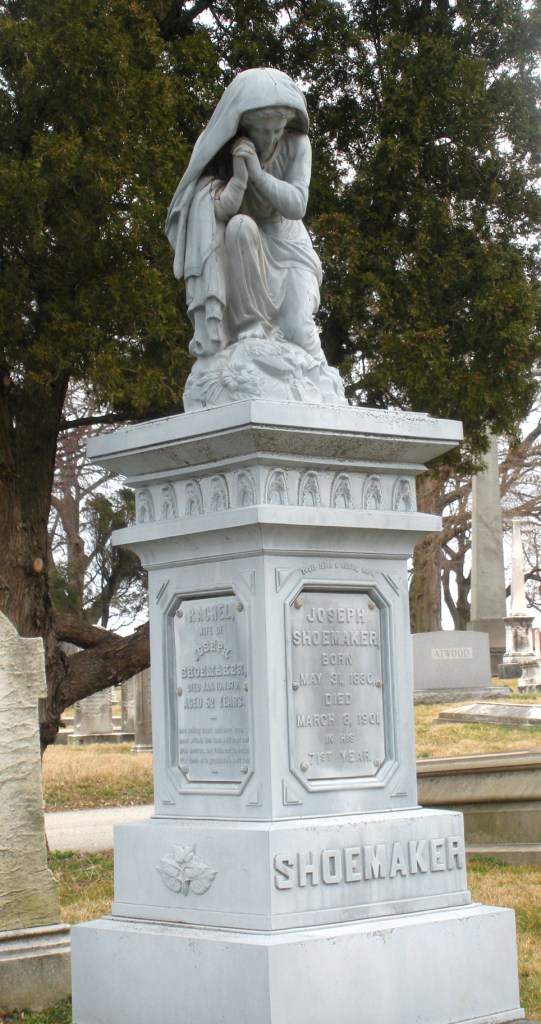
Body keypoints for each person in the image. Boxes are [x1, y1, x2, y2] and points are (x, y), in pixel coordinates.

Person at [165, 67, 346, 407]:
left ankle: (322, 397)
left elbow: (297, 204)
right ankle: (248, 327)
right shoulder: (227, 154)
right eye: (263, 130)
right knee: (240, 226)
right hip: (245, 248)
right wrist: (236, 177)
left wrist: (257, 173)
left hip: (288, 245)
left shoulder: (296, 144)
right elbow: (214, 207)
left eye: (276, 129)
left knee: (299, 330)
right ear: (245, 125)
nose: (270, 137)